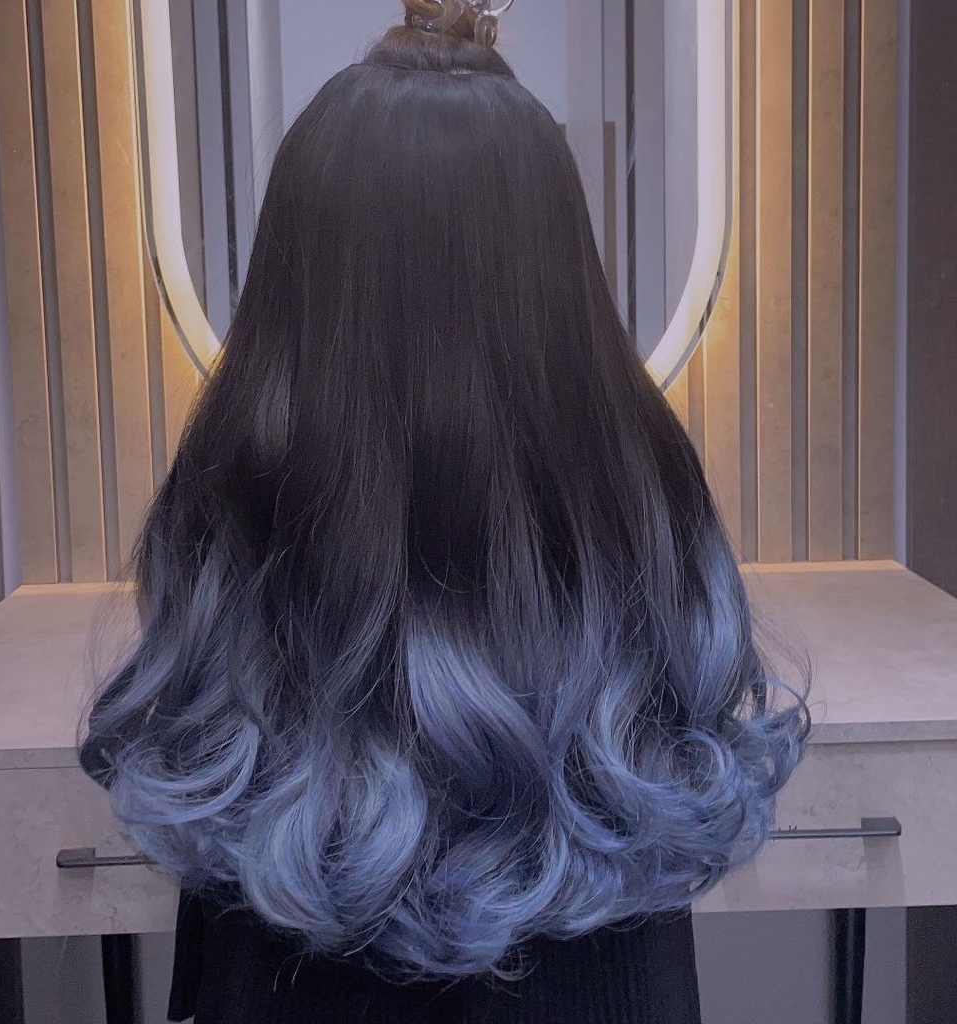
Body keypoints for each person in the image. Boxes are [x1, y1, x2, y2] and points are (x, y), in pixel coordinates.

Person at [80, 2, 809, 1021]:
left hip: (297, 966)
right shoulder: (635, 477)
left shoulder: (238, 470)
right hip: (585, 976)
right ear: (560, 272)